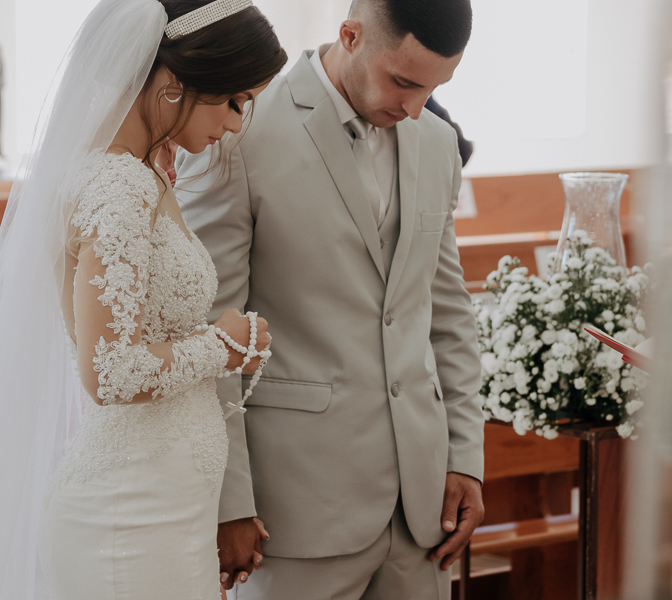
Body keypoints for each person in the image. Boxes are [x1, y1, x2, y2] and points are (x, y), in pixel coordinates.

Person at [176, 0, 485, 598]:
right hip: (294, 509)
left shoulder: (437, 141)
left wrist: (465, 457)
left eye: (434, 88)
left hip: (422, 514)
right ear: (350, 35)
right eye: (403, 81)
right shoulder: (239, 130)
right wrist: (227, 499)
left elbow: (448, 315)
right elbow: (209, 329)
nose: (415, 107)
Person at [0, 1, 285, 599]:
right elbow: (109, 370)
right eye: (233, 100)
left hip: (160, 506)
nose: (236, 124)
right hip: (129, 519)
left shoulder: (135, 173)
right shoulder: (119, 186)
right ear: (173, 83)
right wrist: (224, 345)